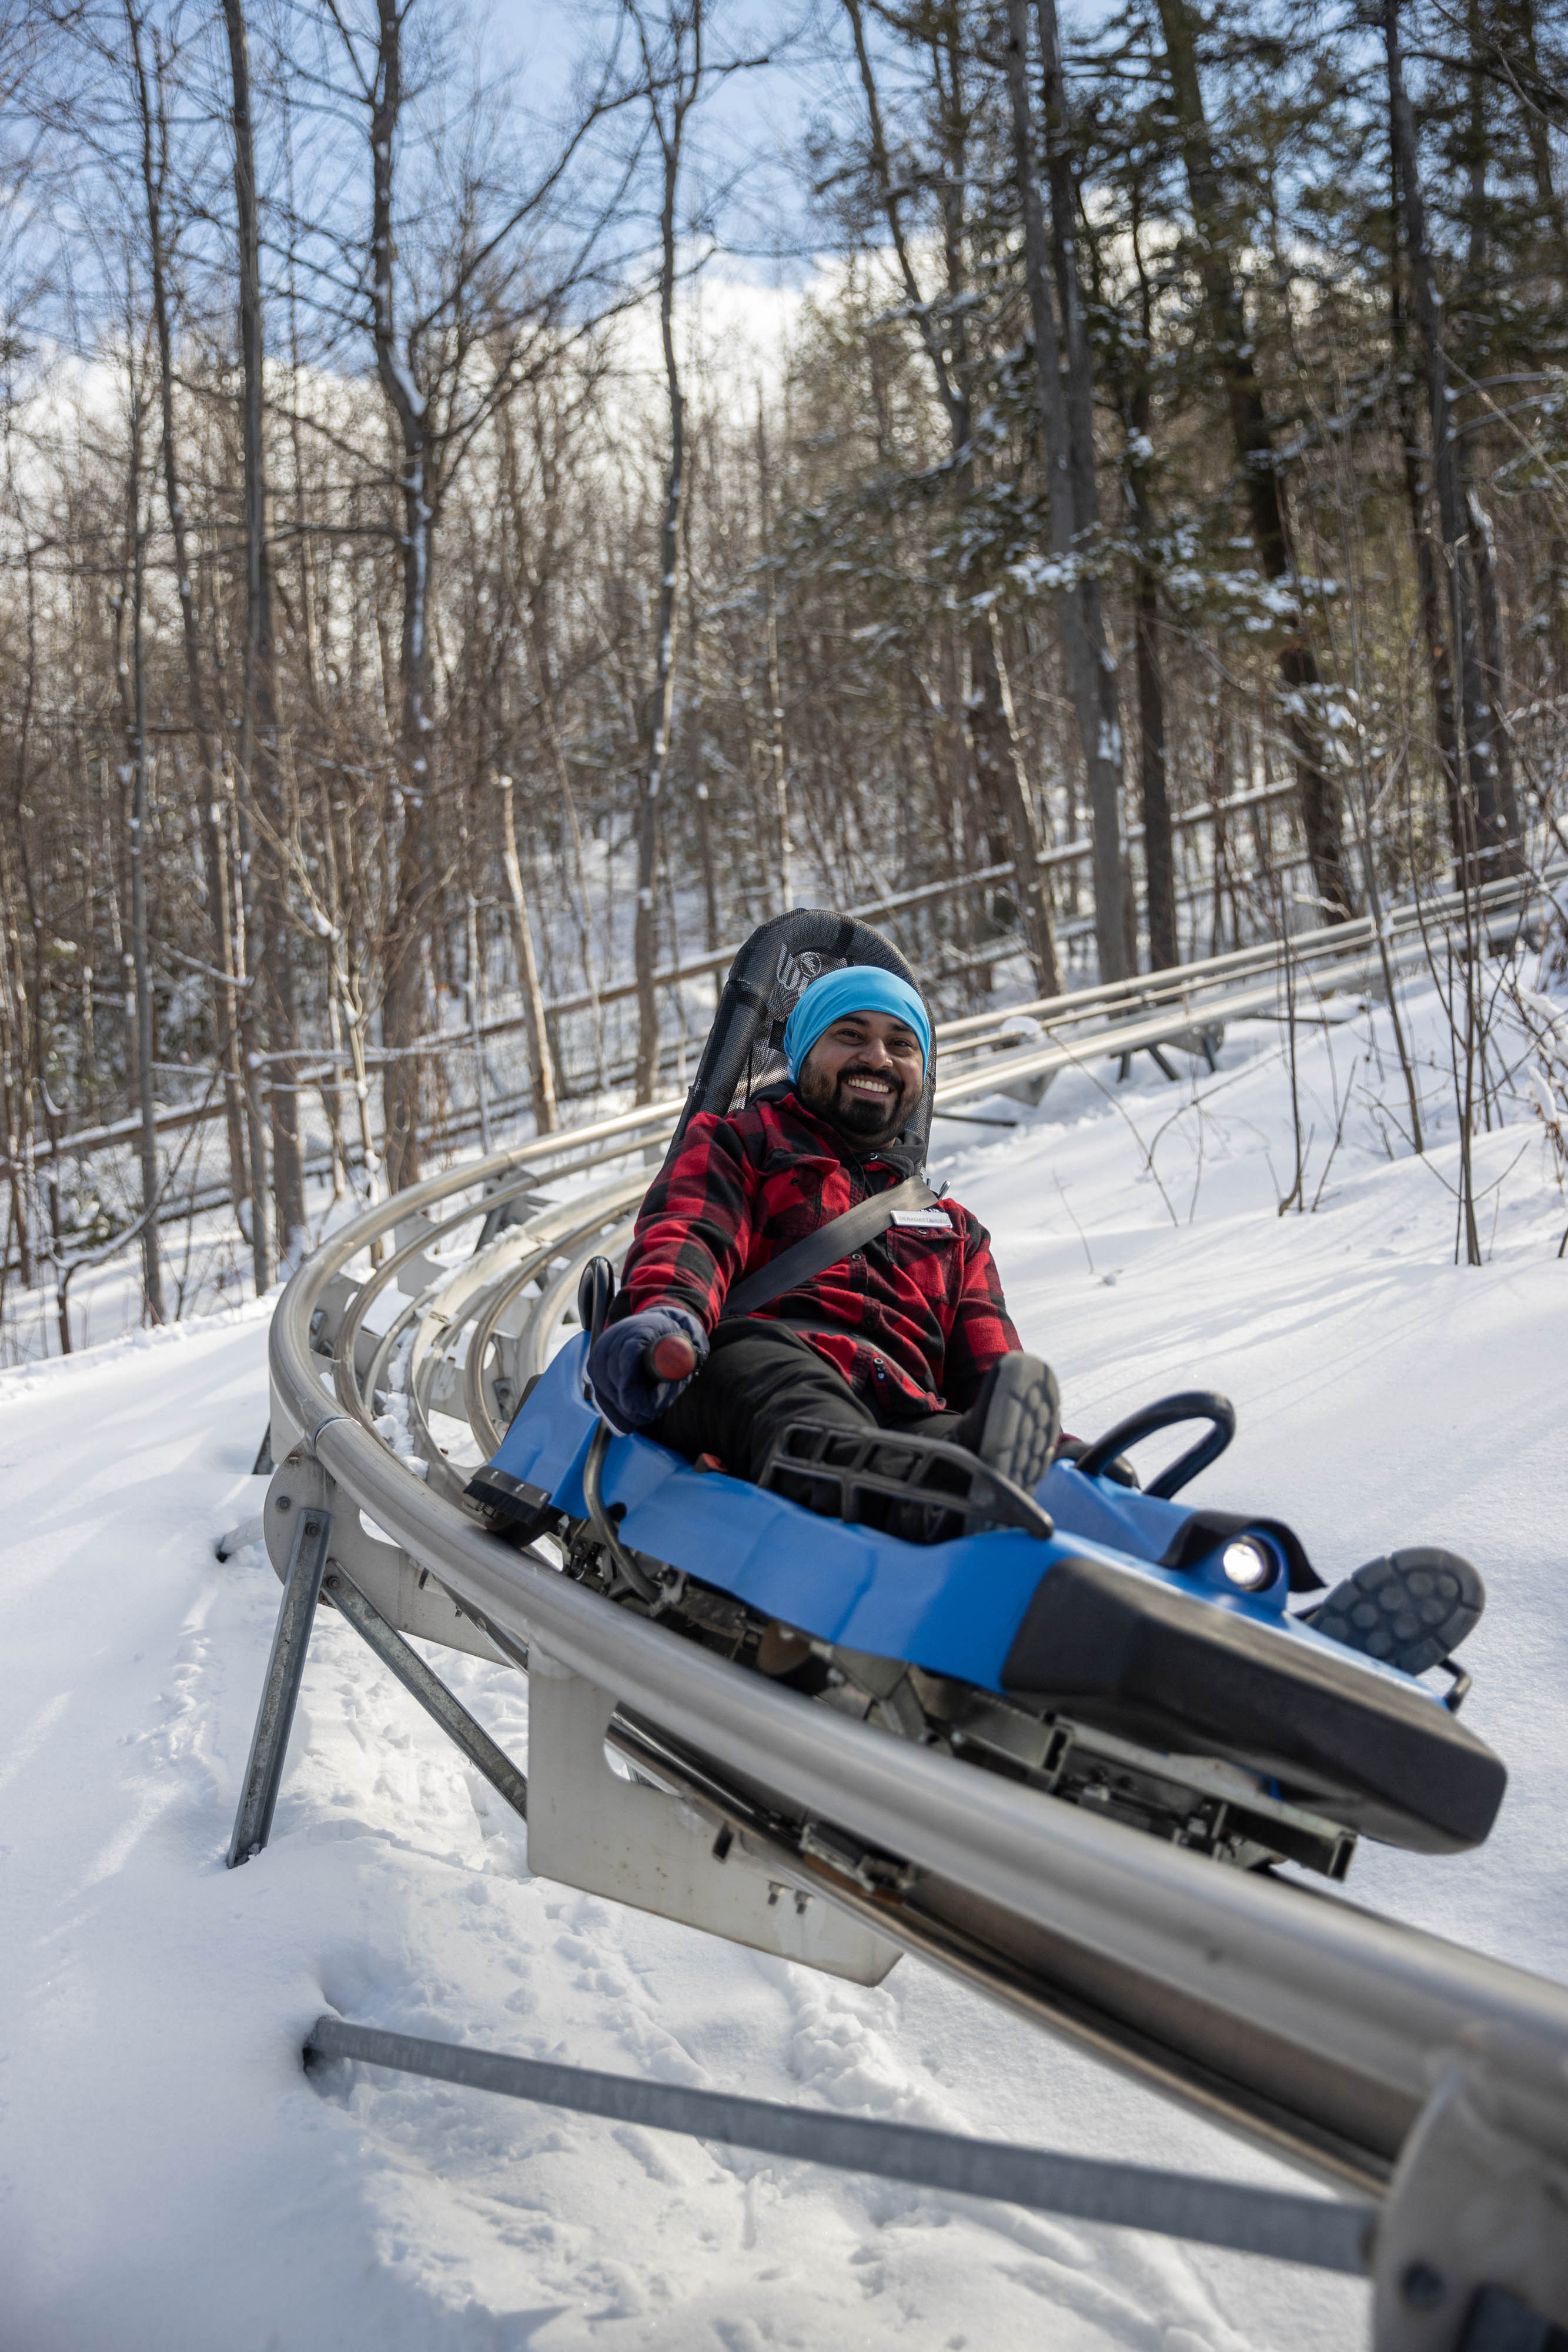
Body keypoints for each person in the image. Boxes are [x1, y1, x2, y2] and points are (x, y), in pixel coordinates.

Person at [584, 965, 1060, 1538]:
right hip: (756, 1367)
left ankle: (1067, 1507)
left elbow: (993, 1376)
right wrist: (669, 1315)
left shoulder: (954, 1229)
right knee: (795, 1399)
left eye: (901, 1044)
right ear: (804, 1053)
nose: (878, 1058)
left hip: (903, 1405)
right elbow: (691, 1237)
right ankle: (928, 1499)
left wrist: (1054, 1455)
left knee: (959, 1443)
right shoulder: (742, 1144)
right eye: (850, 1035)